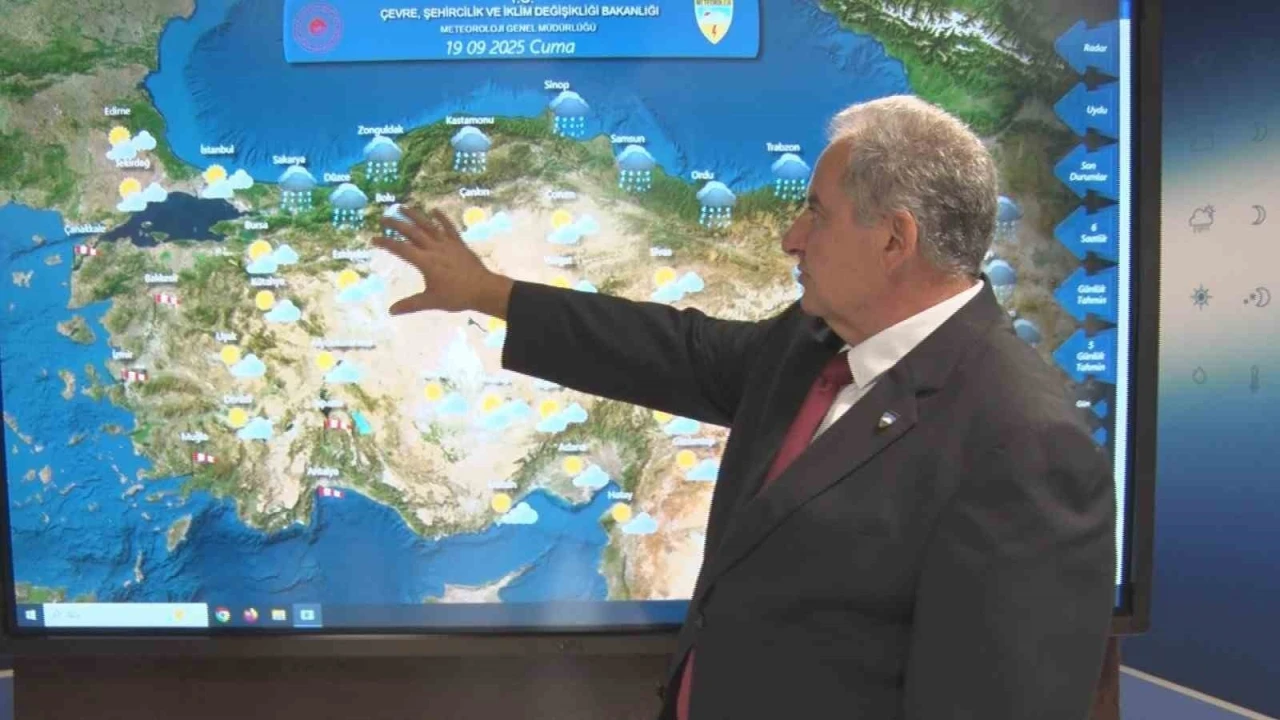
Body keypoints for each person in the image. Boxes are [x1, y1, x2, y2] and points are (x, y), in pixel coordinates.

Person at [374, 95, 1116, 719]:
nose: (792, 239)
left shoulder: (1021, 444)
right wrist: (491, 294)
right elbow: (678, 351)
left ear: (896, 239)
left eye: (816, 214)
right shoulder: (813, 343)